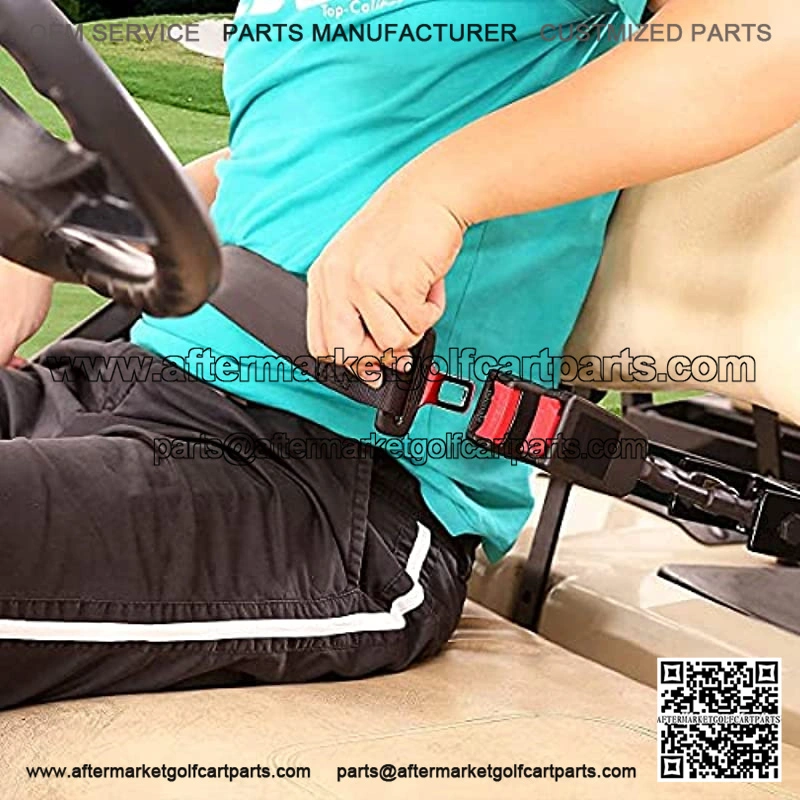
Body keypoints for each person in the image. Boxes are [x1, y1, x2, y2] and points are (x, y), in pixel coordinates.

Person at [0, 0, 796, 709]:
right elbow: (270, 164)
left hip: (329, 478)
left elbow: (771, 30)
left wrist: (441, 191)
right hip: (131, 380)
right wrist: (60, 230)